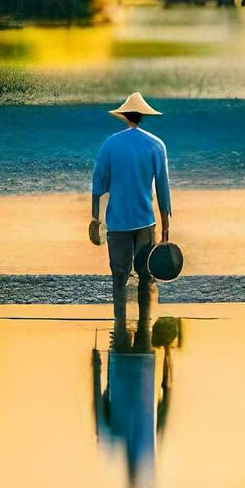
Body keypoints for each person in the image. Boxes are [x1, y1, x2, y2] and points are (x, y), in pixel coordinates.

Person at [91, 92, 172, 351]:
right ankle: (145, 328)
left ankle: (120, 322)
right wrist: (166, 225)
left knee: (119, 275)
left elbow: (98, 184)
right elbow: (163, 188)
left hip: (117, 222)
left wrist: (94, 218)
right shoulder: (156, 144)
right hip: (146, 220)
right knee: (146, 275)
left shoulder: (109, 144)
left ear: (125, 116)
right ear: (143, 116)